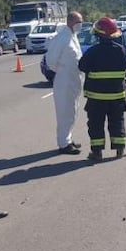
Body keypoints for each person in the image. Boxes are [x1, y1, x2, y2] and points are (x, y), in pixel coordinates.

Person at [78, 17, 126, 161]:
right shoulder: (121, 50)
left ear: (98, 34)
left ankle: (97, 152)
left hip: (97, 97)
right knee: (117, 122)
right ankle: (119, 150)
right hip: (117, 96)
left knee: (96, 124)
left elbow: (82, 66)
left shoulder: (93, 51)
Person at [45, 11, 84, 155]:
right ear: (70, 22)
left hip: (73, 82)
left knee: (72, 112)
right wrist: (63, 71)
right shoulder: (61, 38)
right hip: (64, 82)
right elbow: (51, 62)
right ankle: (63, 144)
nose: (80, 25)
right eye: (79, 22)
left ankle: (68, 139)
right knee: (64, 114)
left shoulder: (72, 36)